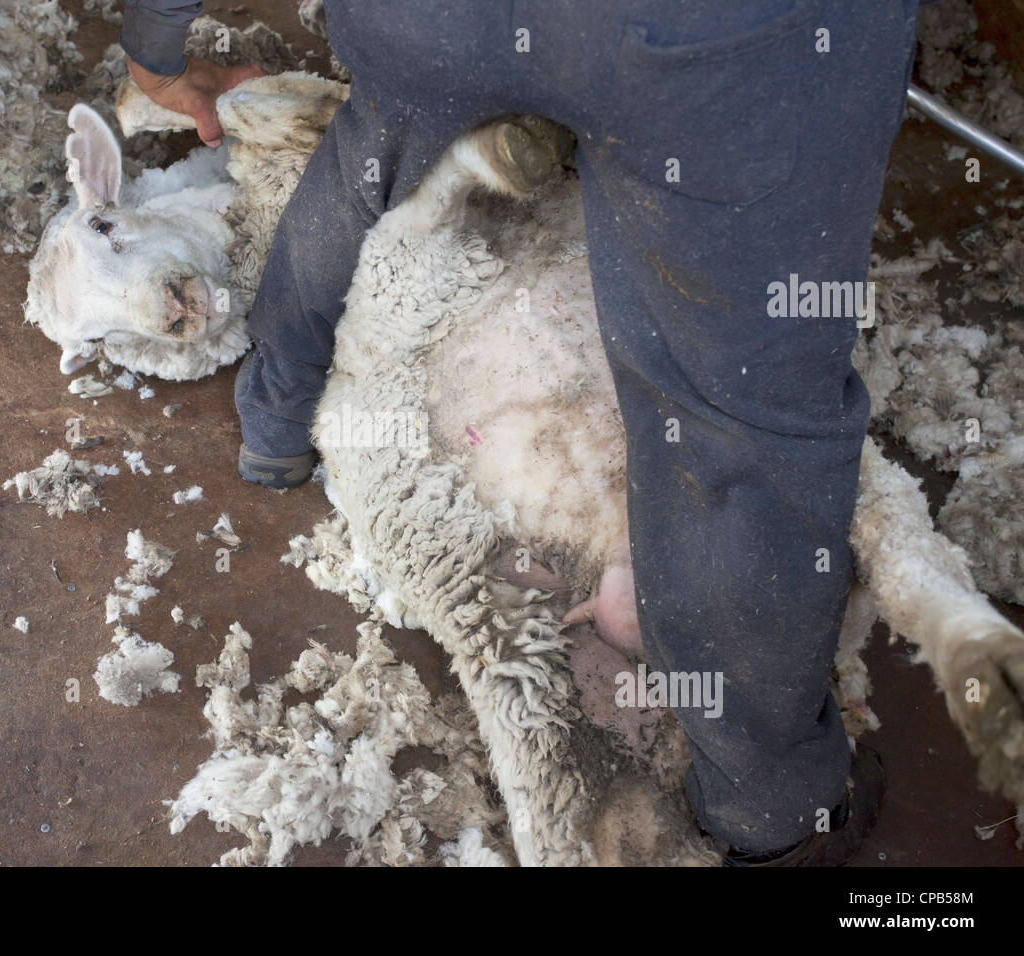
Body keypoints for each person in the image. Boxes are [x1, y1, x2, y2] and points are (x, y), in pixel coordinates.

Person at [122, 0, 924, 865]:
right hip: (702, 46)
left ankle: (275, 418)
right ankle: (772, 806)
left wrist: (153, 47)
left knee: (378, 149)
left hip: (438, 21)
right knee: (735, 404)